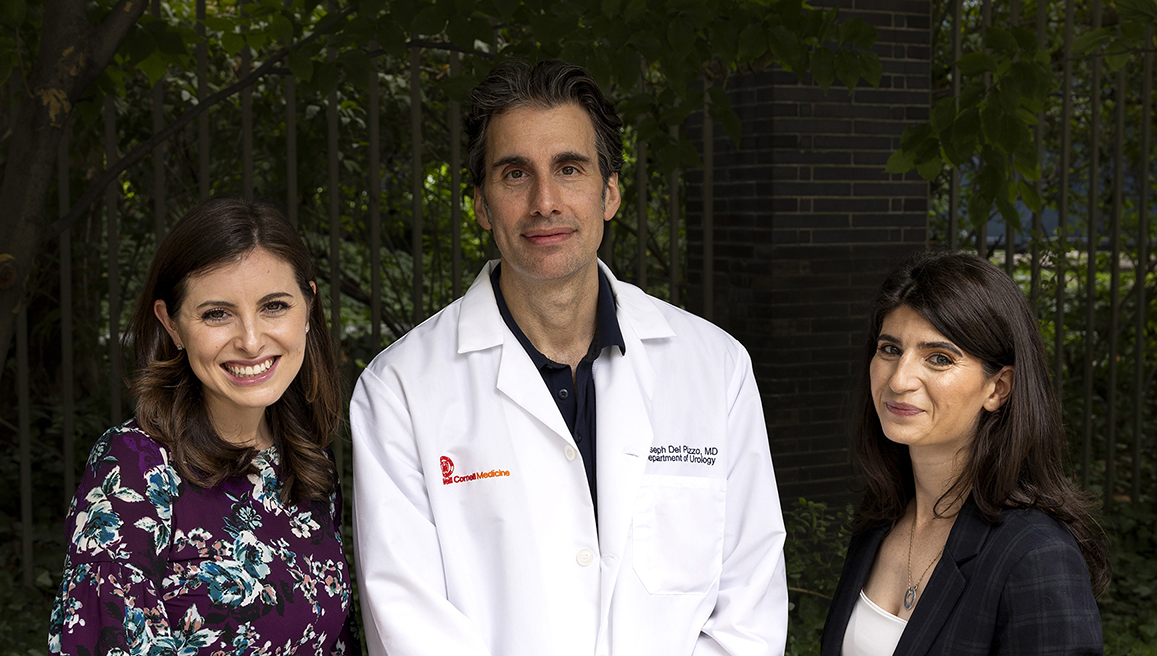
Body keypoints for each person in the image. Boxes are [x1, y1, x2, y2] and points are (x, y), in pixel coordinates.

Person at [349, 59, 787, 656]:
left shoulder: (716, 369)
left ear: (609, 192)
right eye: (514, 174)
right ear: (481, 204)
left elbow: (749, 610)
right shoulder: (399, 388)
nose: (544, 201)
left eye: (569, 169)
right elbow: (409, 625)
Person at [49, 198, 353, 655]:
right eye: (216, 314)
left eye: (274, 306)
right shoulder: (134, 469)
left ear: (307, 309)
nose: (251, 341)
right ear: (171, 325)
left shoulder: (310, 464)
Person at [820, 251, 1110, 656]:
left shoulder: (1036, 555)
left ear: (998, 389)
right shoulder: (881, 519)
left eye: (938, 358)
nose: (900, 380)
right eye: (889, 349)